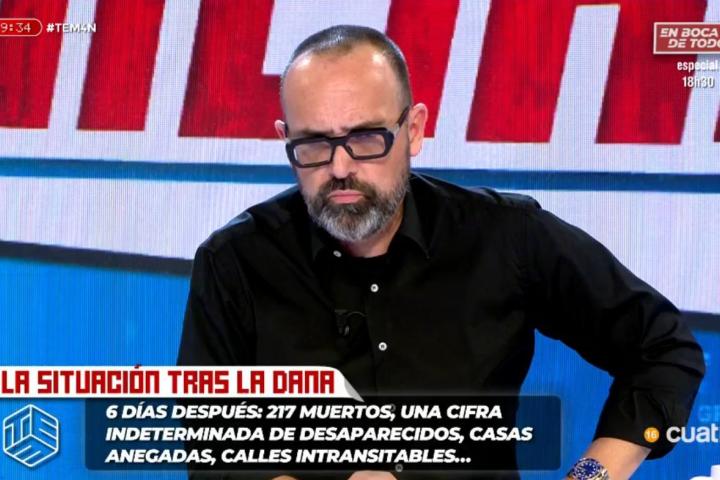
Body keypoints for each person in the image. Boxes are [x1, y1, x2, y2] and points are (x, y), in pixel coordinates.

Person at [177, 25, 705, 480]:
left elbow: (664, 349)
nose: (340, 168)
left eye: (366, 138)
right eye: (313, 144)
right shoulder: (235, 262)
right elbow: (212, 449)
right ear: (284, 139)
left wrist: (590, 474)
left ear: (415, 130)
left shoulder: (506, 237)